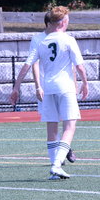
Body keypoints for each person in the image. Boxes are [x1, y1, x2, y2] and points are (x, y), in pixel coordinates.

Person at [10, 6, 89, 179]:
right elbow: (79, 66)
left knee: (51, 128)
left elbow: (27, 65)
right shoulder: (69, 40)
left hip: (48, 89)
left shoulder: (41, 41)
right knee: (70, 126)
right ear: (63, 22)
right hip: (65, 88)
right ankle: (56, 164)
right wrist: (85, 83)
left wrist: (16, 87)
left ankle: (55, 169)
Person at [30, 10, 76, 163]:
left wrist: (75, 83)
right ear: (48, 23)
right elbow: (34, 64)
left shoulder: (64, 38)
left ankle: (63, 149)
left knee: (67, 118)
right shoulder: (38, 39)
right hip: (46, 86)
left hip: (63, 85)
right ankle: (58, 157)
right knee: (52, 121)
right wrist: (38, 86)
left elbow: (72, 64)